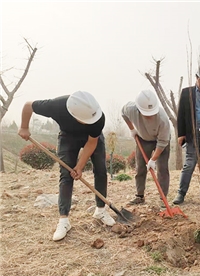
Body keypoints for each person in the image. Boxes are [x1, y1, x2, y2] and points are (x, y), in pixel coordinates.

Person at [18, 91, 116, 241]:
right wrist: (24, 127)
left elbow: (91, 143)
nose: (90, 121)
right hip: (67, 137)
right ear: (74, 115)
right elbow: (28, 106)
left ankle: (101, 210)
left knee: (101, 171)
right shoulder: (56, 106)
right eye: (86, 120)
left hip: (92, 138)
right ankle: (64, 220)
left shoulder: (97, 117)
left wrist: (80, 166)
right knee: (66, 175)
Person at [172, 61, 200, 205]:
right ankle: (181, 193)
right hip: (192, 132)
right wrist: (181, 134)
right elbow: (181, 115)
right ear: (196, 77)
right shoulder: (187, 93)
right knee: (189, 163)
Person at [122, 90, 171, 207]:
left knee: (162, 168)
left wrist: (153, 159)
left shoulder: (163, 118)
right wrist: (132, 129)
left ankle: (163, 198)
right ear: (138, 109)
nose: (149, 116)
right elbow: (123, 113)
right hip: (143, 138)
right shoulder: (131, 109)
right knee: (140, 168)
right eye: (146, 114)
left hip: (161, 141)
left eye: (151, 113)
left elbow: (163, 141)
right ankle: (139, 196)